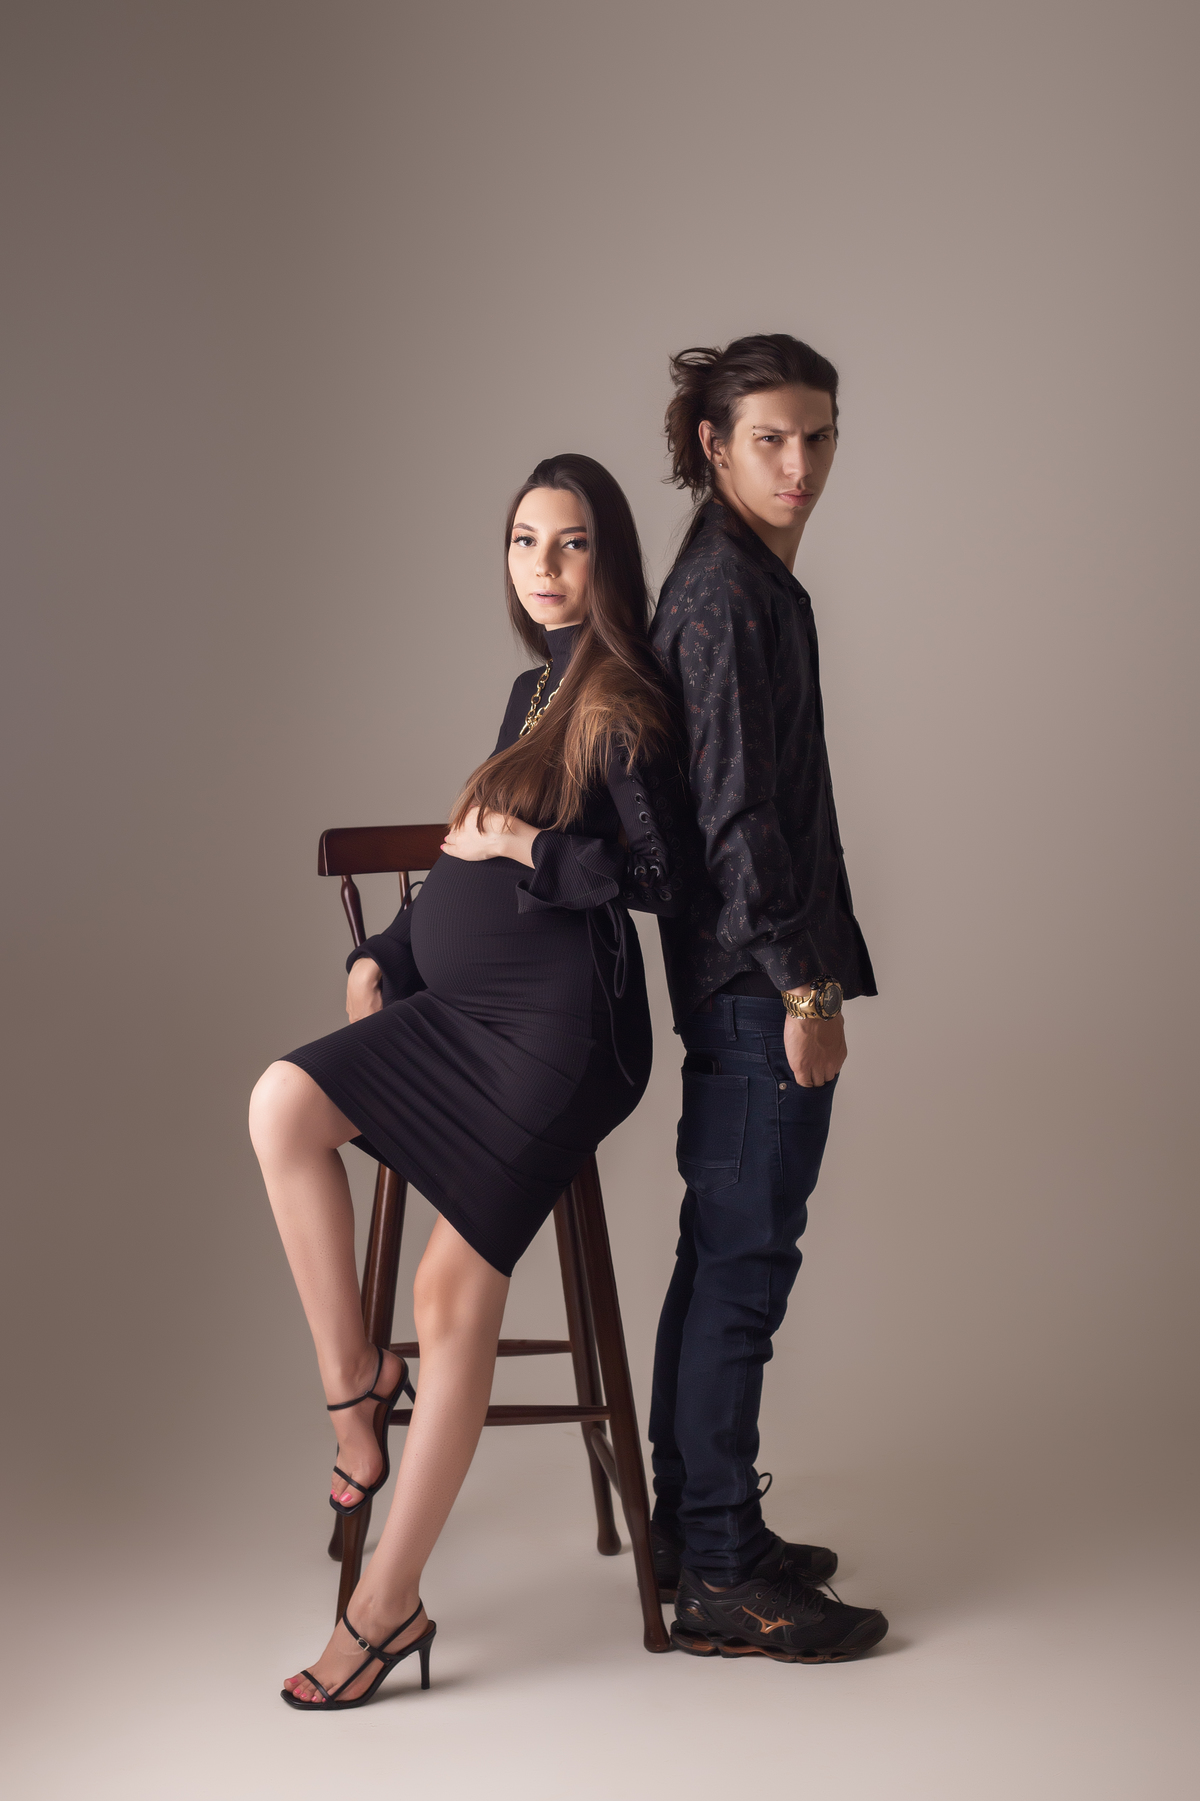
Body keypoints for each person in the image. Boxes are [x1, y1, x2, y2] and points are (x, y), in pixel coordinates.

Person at [250, 453, 685, 1709]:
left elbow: (659, 880)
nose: (543, 567)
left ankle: (385, 1607)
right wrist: (384, 955)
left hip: (562, 1036)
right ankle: (356, 1394)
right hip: (458, 1014)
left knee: (446, 1291)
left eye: (571, 543)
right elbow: (460, 857)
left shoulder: (626, 700)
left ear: (609, 558)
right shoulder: (531, 687)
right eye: (523, 542)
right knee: (283, 1104)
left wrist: (534, 845)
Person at [647, 335, 889, 1663]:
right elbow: (737, 818)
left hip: (746, 972)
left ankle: (697, 1527)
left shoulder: (745, 579)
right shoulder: (727, 595)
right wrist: (807, 986)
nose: (801, 464)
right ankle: (723, 1573)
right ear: (714, 446)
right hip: (758, 980)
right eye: (771, 440)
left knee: (720, 1255)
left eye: (819, 435)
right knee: (743, 1269)